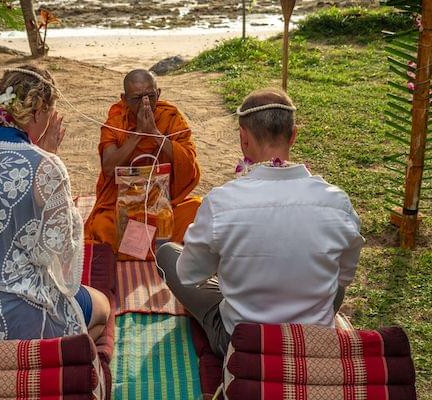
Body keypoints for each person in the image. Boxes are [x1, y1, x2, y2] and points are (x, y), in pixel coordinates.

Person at [156, 88, 365, 358]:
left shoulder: (222, 202)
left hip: (243, 343)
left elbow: (189, 275)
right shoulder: (337, 202)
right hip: (311, 336)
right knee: (332, 284)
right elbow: (343, 277)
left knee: (167, 254)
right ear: (293, 135)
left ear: (243, 138)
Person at [0, 65, 110, 341]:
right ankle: (49, 366)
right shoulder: (45, 166)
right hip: (11, 316)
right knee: (101, 306)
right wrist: (48, 156)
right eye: (51, 113)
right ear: (38, 111)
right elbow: (57, 255)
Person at [84, 69, 201, 251]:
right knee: (102, 225)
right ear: (124, 99)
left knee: (197, 209)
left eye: (150, 96)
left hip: (163, 204)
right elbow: (108, 167)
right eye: (137, 99)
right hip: (123, 205)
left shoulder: (171, 117)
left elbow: (188, 164)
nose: (145, 103)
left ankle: (137, 246)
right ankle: (160, 246)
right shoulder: (116, 122)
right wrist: (138, 134)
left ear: (159, 93)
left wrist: (155, 134)